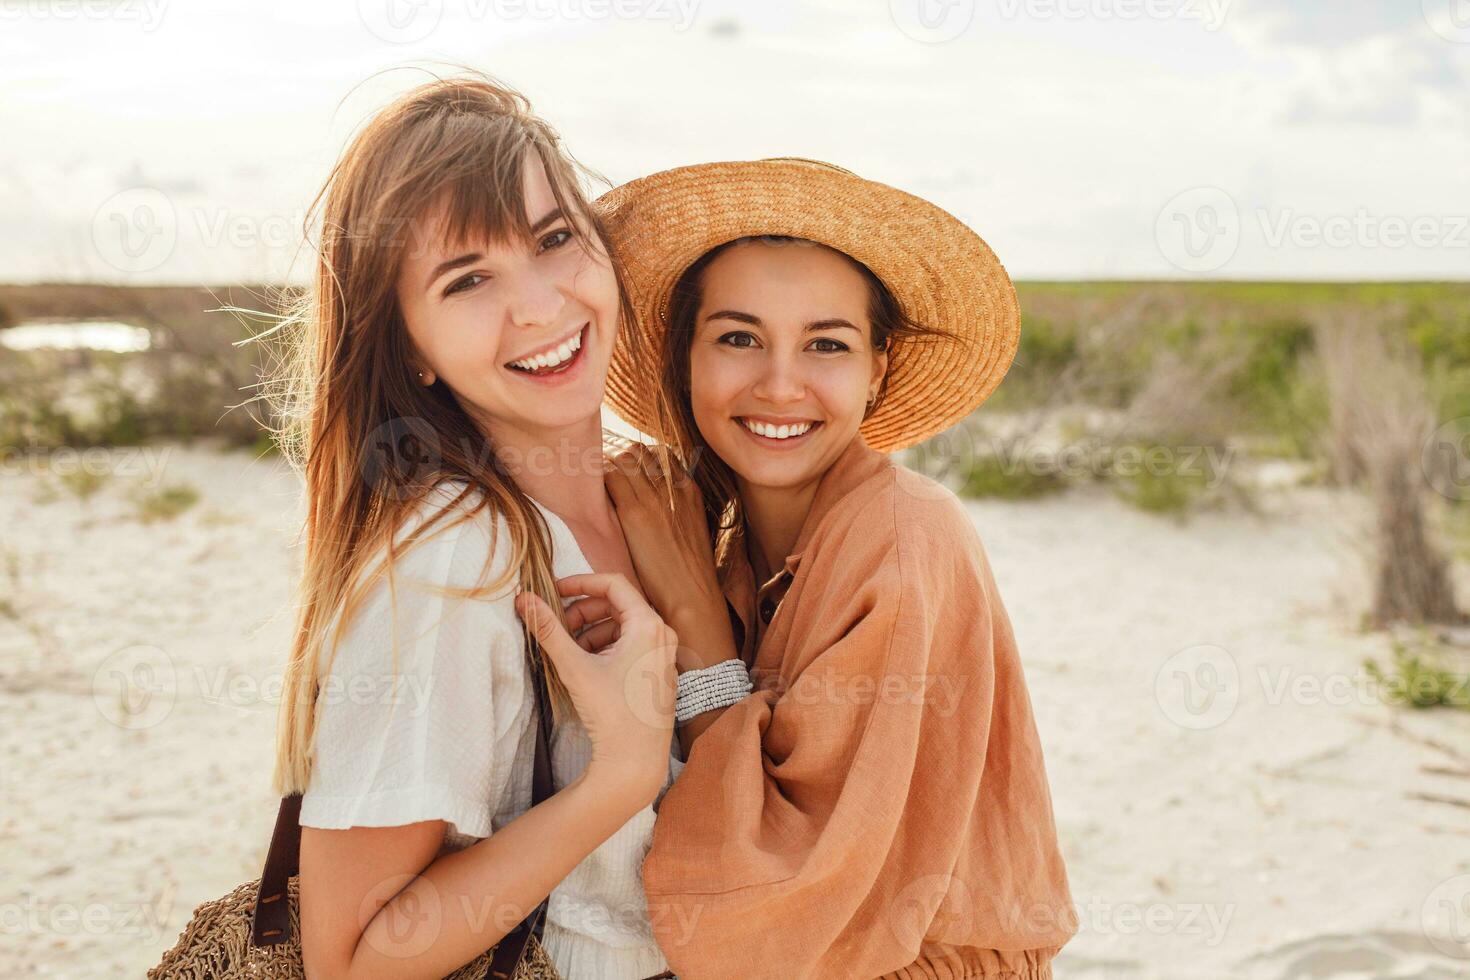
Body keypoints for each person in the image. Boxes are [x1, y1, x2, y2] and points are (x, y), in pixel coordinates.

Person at [592, 159, 1078, 978]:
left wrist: (691, 610)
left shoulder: (903, 539)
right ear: (686, 357)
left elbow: (778, 896)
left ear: (877, 368)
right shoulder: (716, 530)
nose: (781, 385)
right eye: (739, 337)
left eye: (827, 344)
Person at [267, 75, 680, 980]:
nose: (537, 306)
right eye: (468, 280)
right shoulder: (456, 556)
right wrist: (622, 775)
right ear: (410, 348)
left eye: (555, 239)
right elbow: (350, 962)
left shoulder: (649, 503)